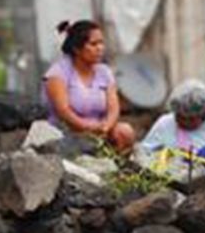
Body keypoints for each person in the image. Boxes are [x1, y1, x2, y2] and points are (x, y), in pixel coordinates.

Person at [43, 20, 136, 151]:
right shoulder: (58, 74)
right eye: (93, 44)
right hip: (67, 134)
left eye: (101, 43)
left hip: (99, 132)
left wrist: (106, 127)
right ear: (77, 49)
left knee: (125, 131)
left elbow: (113, 108)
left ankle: (116, 167)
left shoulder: (104, 72)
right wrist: (88, 128)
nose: (100, 48)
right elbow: (64, 112)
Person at [141, 79, 205, 153]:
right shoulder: (164, 124)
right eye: (179, 116)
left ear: (204, 114)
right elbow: (144, 153)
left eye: (189, 119)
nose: (182, 121)